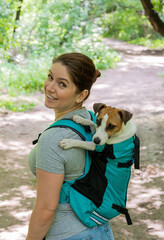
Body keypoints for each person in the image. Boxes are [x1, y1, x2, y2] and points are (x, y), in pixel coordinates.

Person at [27, 53, 114, 240]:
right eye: (50, 77)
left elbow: (46, 209)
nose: (49, 87)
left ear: (81, 95)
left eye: (62, 84)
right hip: (100, 231)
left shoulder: (55, 139)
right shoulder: (93, 120)